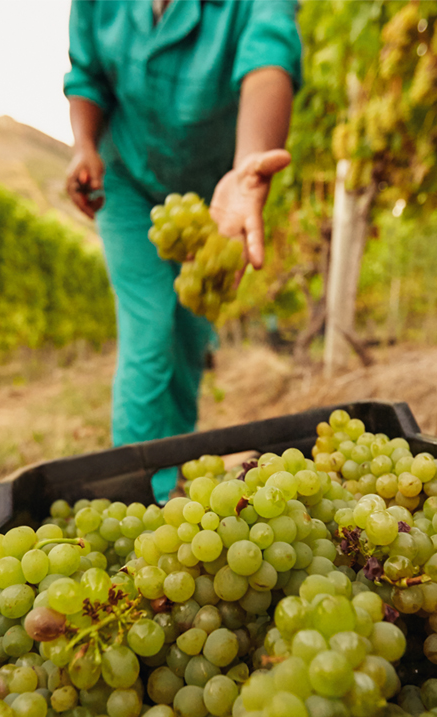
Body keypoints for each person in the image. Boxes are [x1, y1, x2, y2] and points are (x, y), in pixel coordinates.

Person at [63, 0, 301, 501]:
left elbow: (268, 60)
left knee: (190, 334)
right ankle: (137, 496)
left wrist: (248, 166)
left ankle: (170, 473)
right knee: (149, 326)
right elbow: (87, 77)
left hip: (217, 192)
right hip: (124, 178)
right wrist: (83, 142)